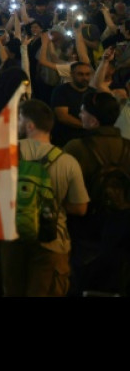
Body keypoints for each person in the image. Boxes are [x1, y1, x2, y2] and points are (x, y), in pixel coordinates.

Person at [2, 99, 88, 297]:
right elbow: (81, 208)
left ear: (29, 125)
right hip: (52, 241)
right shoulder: (67, 161)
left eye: (19, 119)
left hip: (12, 236)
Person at [62, 91, 130, 295]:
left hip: (86, 232)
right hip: (123, 232)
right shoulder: (128, 147)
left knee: (83, 283)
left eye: (82, 112)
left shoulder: (75, 148)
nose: (80, 115)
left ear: (93, 120)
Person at [50, 61, 94, 147]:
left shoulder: (92, 92)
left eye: (87, 74)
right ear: (72, 75)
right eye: (80, 74)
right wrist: (86, 126)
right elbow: (63, 117)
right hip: (65, 138)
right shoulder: (61, 91)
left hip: (87, 140)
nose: (85, 78)